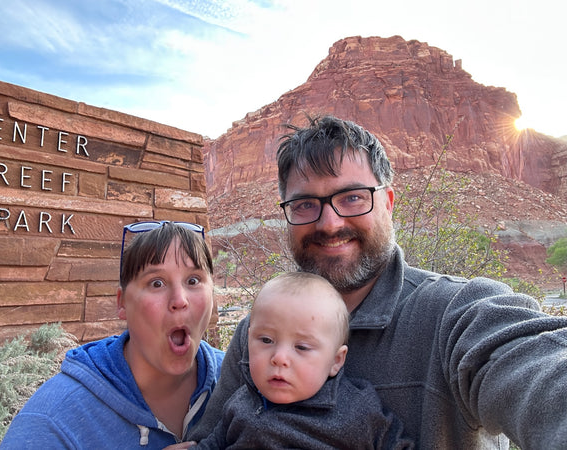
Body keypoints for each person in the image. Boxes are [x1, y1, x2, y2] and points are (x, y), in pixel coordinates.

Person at [191, 116, 567, 449]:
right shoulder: (255, 333)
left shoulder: (455, 314)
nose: (329, 223)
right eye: (305, 204)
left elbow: (540, 367)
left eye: (353, 198)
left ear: (388, 202)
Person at [0, 221, 224, 449]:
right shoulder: (51, 423)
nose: (179, 300)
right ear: (122, 303)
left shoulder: (245, 380)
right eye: (157, 283)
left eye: (193, 281)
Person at [181, 272, 413, 449]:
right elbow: (211, 444)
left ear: (336, 360)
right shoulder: (240, 402)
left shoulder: (357, 410)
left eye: (301, 347)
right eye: (266, 340)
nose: (279, 358)